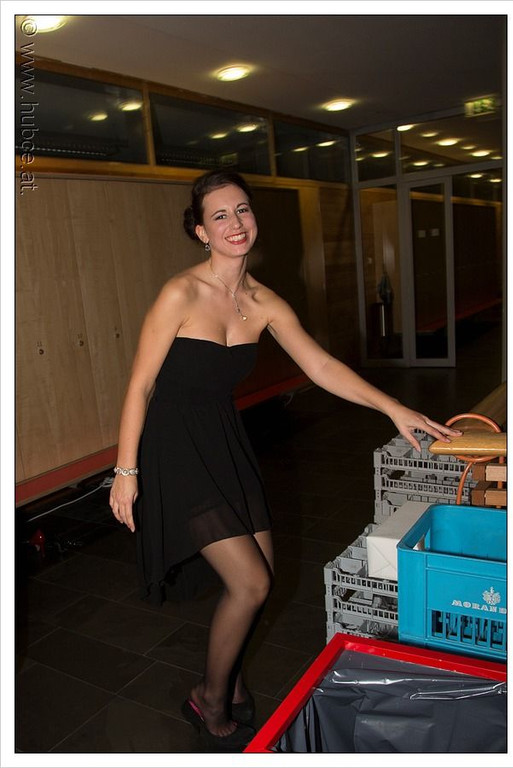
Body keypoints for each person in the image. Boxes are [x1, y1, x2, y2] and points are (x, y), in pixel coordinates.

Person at [109, 169, 461, 748]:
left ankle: (230, 676)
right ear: (201, 232)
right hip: (173, 445)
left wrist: (393, 408)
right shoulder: (181, 293)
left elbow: (320, 366)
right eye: (219, 216)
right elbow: (140, 385)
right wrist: (126, 472)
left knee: (262, 579)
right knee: (249, 583)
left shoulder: (263, 301)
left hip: (223, 439)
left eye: (242, 210)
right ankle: (209, 696)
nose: (235, 223)